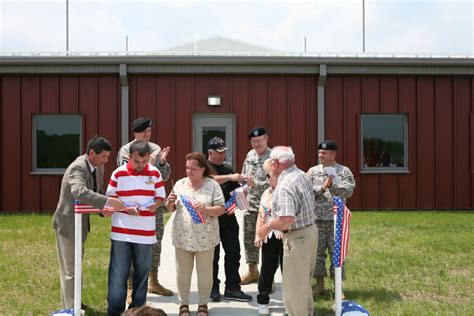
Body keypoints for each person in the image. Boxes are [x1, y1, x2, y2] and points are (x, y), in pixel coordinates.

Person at [52, 136, 124, 310]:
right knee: (70, 272)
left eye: (107, 157)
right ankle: (70, 309)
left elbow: (95, 192)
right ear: (92, 152)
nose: (106, 161)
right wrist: (108, 201)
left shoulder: (97, 166)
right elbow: (79, 191)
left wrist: (102, 209)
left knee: (76, 267)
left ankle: (76, 302)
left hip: (79, 225)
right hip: (67, 225)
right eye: (104, 157)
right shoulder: (78, 168)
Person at [106, 141, 166, 315]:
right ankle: (115, 312)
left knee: (141, 277)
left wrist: (156, 205)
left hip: (146, 235)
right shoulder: (118, 174)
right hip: (121, 233)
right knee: (118, 277)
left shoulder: (155, 173)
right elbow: (110, 201)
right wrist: (124, 208)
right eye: (136, 161)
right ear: (128, 158)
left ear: (148, 158)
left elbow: (160, 197)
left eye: (144, 161)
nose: (140, 165)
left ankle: (138, 313)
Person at [257, 146, 317, 316]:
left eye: (270, 161)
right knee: (303, 282)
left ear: (275, 163)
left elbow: (286, 220)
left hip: (297, 237)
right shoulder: (301, 174)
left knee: (294, 289)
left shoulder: (284, 185)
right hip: (309, 232)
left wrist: (266, 227)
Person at [117, 117, 173, 298]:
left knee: (155, 243)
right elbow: (130, 173)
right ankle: (130, 286)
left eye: (149, 131)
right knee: (133, 244)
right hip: (133, 207)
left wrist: (162, 163)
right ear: (135, 133)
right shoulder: (126, 150)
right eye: (144, 132)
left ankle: (153, 281)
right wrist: (151, 162)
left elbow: (163, 177)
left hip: (153, 207)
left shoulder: (155, 149)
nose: (147, 135)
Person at [166, 152, 225, 316]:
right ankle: (183, 304)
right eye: (187, 168)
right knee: (182, 273)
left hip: (206, 239)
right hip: (182, 237)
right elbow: (170, 209)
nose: (189, 171)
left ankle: (202, 305)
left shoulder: (212, 185)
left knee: (205, 274)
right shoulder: (180, 184)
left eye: (193, 168)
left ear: (203, 169)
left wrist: (205, 209)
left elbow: (221, 208)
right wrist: (169, 202)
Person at [307, 140, 355, 297]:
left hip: (336, 219)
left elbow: (348, 191)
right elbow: (306, 191)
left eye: (324, 153)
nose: (321, 155)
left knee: (337, 253)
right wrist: (322, 187)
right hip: (317, 219)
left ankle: (338, 287)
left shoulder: (343, 171)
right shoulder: (313, 171)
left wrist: (332, 185)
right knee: (318, 253)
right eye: (320, 152)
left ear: (333, 154)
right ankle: (319, 285)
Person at [206, 137, 252, 302]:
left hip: (229, 218)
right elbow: (209, 180)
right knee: (213, 255)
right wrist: (232, 177)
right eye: (219, 152)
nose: (222, 155)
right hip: (212, 218)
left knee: (233, 253)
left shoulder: (227, 168)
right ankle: (213, 288)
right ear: (210, 152)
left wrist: (243, 192)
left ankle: (233, 288)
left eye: (224, 152)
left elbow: (236, 191)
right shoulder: (204, 167)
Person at [240, 127, 272, 284]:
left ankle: (269, 277)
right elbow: (244, 174)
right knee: (249, 239)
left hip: (267, 206)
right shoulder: (250, 155)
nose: (256, 144)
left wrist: (255, 184)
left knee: (268, 242)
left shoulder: (273, 157)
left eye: (259, 140)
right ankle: (253, 271)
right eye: (253, 141)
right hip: (250, 205)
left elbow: (275, 182)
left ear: (266, 138)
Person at [254, 158, 283, 315]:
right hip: (268, 236)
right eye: (266, 175)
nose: (267, 178)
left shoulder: (286, 192)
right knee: (266, 270)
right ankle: (263, 300)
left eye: (269, 175)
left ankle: (291, 301)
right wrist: (258, 234)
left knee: (289, 271)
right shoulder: (266, 192)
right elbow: (261, 215)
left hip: (284, 235)